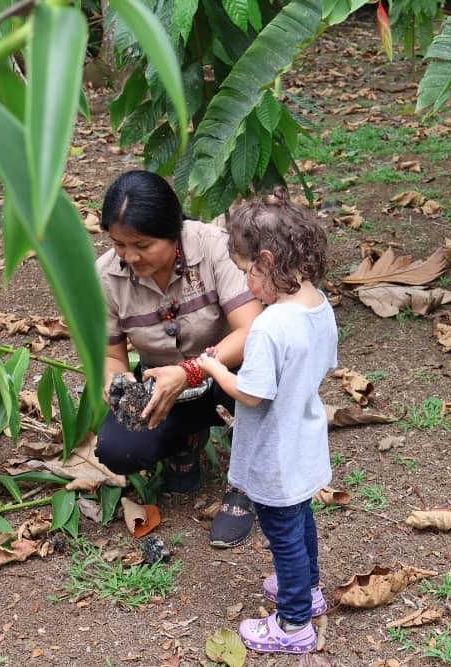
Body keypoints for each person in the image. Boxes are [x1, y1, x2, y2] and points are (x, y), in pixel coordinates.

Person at [197, 188, 338, 654]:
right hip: (305, 438)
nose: (244, 286)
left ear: (266, 260)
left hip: (274, 451)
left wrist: (216, 368)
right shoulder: (319, 306)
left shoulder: (271, 326)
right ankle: (309, 590)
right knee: (301, 520)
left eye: (245, 273)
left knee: (282, 535)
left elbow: (253, 395)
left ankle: (294, 624)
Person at [94, 170, 263, 548]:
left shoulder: (215, 247)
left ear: (174, 233)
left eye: (142, 244)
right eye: (119, 244)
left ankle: (246, 484)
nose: (129, 256)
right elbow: (111, 354)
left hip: (230, 373)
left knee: (261, 389)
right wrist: (115, 381)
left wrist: (188, 372)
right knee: (118, 449)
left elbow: (251, 332)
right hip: (162, 385)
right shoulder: (105, 276)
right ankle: (185, 443)